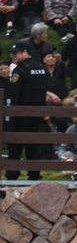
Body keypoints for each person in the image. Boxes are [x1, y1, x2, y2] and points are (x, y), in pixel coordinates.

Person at [4, 41, 52, 181]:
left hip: (20, 114)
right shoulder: (40, 68)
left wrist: (10, 112)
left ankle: (12, 176)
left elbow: (13, 92)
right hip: (37, 113)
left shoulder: (20, 69)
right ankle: (34, 175)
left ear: (25, 52)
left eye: (16, 53)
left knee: (15, 145)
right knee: (34, 145)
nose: (14, 56)